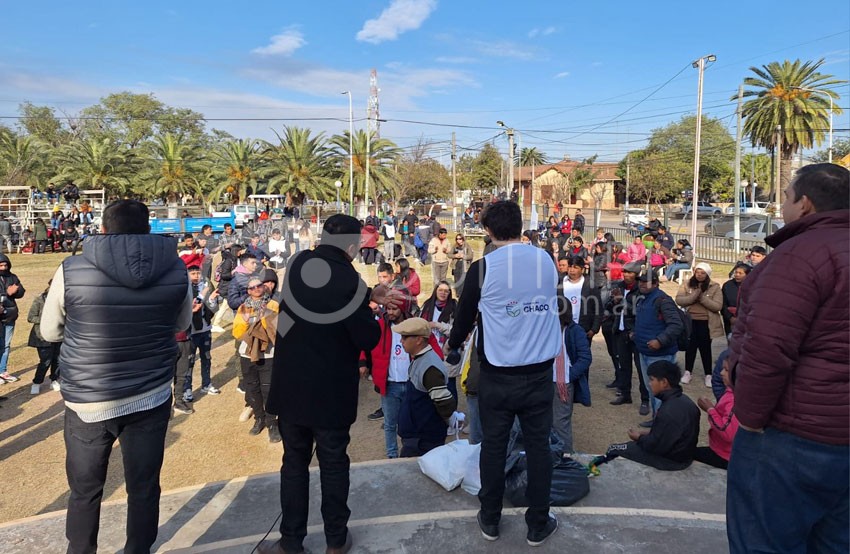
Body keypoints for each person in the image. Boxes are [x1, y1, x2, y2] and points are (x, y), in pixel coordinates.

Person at [40, 199, 193, 553]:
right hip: (150, 395)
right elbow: (182, 325)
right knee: (143, 487)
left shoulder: (71, 268)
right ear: (148, 229)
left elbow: (50, 332)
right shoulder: (176, 268)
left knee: (84, 489)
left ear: (104, 229)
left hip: (89, 402)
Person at [725, 163, 849, 553]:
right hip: (839, 435)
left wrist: (750, 417)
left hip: (793, 437)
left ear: (805, 204)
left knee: (763, 540)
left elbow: (768, 350)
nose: (781, 206)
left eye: (785, 197)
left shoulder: (799, 255)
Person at [262, 214, 398, 554]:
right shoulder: (350, 282)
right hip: (330, 392)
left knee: (293, 464)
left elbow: (323, 287)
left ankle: (290, 541)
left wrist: (368, 293)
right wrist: (375, 306)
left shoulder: (298, 263)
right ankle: (336, 540)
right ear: (352, 247)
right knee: (334, 463)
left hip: (291, 385)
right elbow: (365, 334)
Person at [447, 201, 561, 547]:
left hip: (498, 376)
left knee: (493, 448)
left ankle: (491, 518)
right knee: (539, 447)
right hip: (539, 373)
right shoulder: (545, 259)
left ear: (488, 231)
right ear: (520, 225)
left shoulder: (483, 268)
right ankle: (538, 523)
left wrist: (453, 345)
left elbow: (464, 318)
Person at [600, 361, 700, 471]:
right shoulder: (686, 401)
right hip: (684, 456)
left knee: (614, 449)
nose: (649, 383)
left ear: (664, 382)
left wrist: (639, 437)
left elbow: (654, 446)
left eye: (652, 380)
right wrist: (649, 432)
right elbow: (673, 433)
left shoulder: (668, 411)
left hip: (670, 461)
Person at [360, 287, 415, 458]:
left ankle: (409, 452)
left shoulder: (414, 325)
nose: (390, 312)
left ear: (403, 309)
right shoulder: (380, 325)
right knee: (390, 424)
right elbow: (365, 342)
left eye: (394, 309)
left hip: (411, 383)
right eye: (388, 308)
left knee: (410, 422)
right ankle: (392, 455)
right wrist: (363, 362)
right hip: (389, 384)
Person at [394, 317, 457, 457]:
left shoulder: (429, 366)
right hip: (418, 436)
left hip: (423, 440)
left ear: (419, 340)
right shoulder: (421, 359)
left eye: (405, 337)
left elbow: (444, 403)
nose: (401, 341)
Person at [633, 269, 684, 424]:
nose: (641, 284)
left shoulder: (663, 300)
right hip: (644, 351)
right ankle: (657, 418)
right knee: (652, 389)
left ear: (655, 283)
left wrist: (660, 341)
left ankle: (662, 422)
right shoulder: (643, 298)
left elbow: (676, 325)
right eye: (640, 281)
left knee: (662, 391)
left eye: (645, 281)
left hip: (660, 354)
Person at [233, 276, 280, 442]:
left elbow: (283, 328)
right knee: (253, 388)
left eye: (259, 286)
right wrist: (246, 323)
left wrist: (266, 316)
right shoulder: (243, 308)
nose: (256, 289)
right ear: (248, 291)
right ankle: (259, 419)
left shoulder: (274, 305)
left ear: (264, 287)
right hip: (247, 354)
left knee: (269, 389)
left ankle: (272, 422)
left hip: (268, 354)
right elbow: (237, 333)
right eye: (252, 288)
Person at [608, 261, 650, 416]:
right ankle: (625, 394)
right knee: (624, 366)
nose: (626, 275)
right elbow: (608, 307)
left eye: (630, 272)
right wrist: (614, 301)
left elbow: (643, 311)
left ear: (636, 274)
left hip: (636, 334)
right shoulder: (618, 286)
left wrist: (623, 302)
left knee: (641, 369)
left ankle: (645, 399)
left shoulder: (642, 289)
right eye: (624, 272)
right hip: (620, 332)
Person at [552, 297, 592, 454]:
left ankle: (566, 456)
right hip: (545, 381)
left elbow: (585, 358)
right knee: (546, 422)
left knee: (560, 423)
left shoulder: (575, 331)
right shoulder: (546, 330)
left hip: (563, 383)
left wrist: (568, 376)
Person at [675, 262, 723, 387]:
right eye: (697, 272)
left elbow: (717, 306)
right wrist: (694, 296)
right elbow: (679, 300)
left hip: (706, 321)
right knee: (690, 346)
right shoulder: (686, 284)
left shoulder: (715, 287)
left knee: (705, 347)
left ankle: (708, 374)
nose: (699, 275)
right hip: (690, 320)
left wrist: (702, 298)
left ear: (707, 274)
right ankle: (687, 371)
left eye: (703, 273)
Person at [694, 361, 738, 470]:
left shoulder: (734, 400)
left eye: (726, 370)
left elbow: (727, 432)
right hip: (723, 450)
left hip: (725, 455)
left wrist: (710, 409)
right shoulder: (730, 393)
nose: (722, 373)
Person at [185, 265, 221, 396]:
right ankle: (187, 388)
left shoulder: (204, 287)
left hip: (205, 328)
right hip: (191, 330)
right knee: (189, 360)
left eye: (198, 273)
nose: (196, 276)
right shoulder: (185, 289)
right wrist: (203, 294)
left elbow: (212, 308)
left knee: (206, 357)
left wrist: (211, 299)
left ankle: (206, 384)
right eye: (193, 273)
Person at [27, 281, 61, 395]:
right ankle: (37, 382)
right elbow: (31, 317)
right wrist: (46, 321)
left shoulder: (62, 300)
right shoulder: (39, 300)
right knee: (45, 361)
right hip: (42, 336)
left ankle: (54, 380)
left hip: (58, 335)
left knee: (58, 359)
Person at [561, 257, 602, 341]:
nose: (572, 270)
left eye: (575, 267)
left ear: (582, 270)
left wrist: (594, 329)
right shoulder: (560, 283)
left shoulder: (590, 286)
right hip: (563, 328)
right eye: (570, 267)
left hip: (583, 329)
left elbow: (598, 308)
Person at [0, 253, 25, 383]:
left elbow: (21, 291)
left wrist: (17, 291)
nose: (3, 268)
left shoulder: (12, 277)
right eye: (1, 265)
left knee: (6, 345)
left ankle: (2, 371)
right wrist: (6, 294)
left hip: (10, 316)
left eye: (5, 265)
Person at [721, 263, 750, 338]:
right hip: (730, 320)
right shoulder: (727, 285)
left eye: (740, 273)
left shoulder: (752, 286)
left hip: (746, 320)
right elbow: (723, 304)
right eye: (736, 272)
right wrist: (730, 317)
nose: (737, 275)